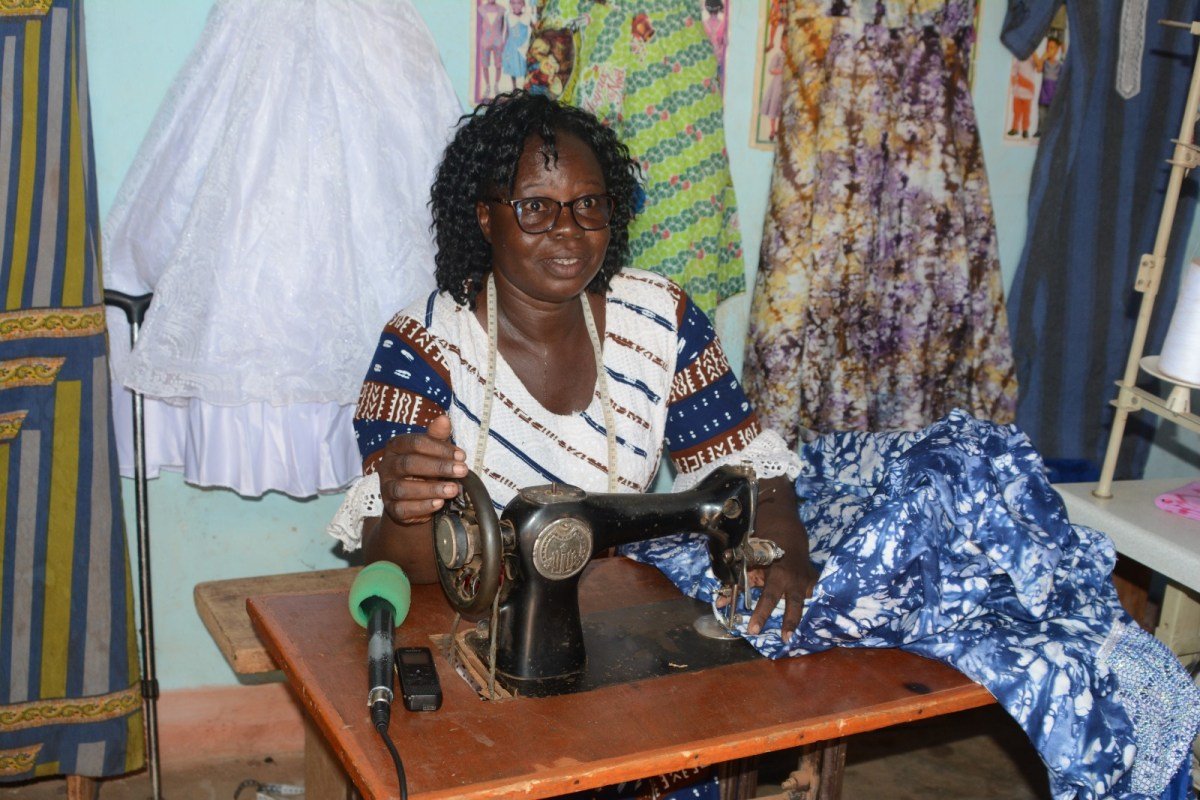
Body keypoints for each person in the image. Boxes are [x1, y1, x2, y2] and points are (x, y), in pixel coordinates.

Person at [331, 90, 817, 640]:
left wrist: (785, 545)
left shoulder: (660, 320)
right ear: (486, 218)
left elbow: (749, 473)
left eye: (588, 203)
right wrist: (409, 508)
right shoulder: (421, 346)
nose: (569, 228)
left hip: (613, 613)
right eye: (535, 207)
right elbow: (396, 564)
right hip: (472, 628)